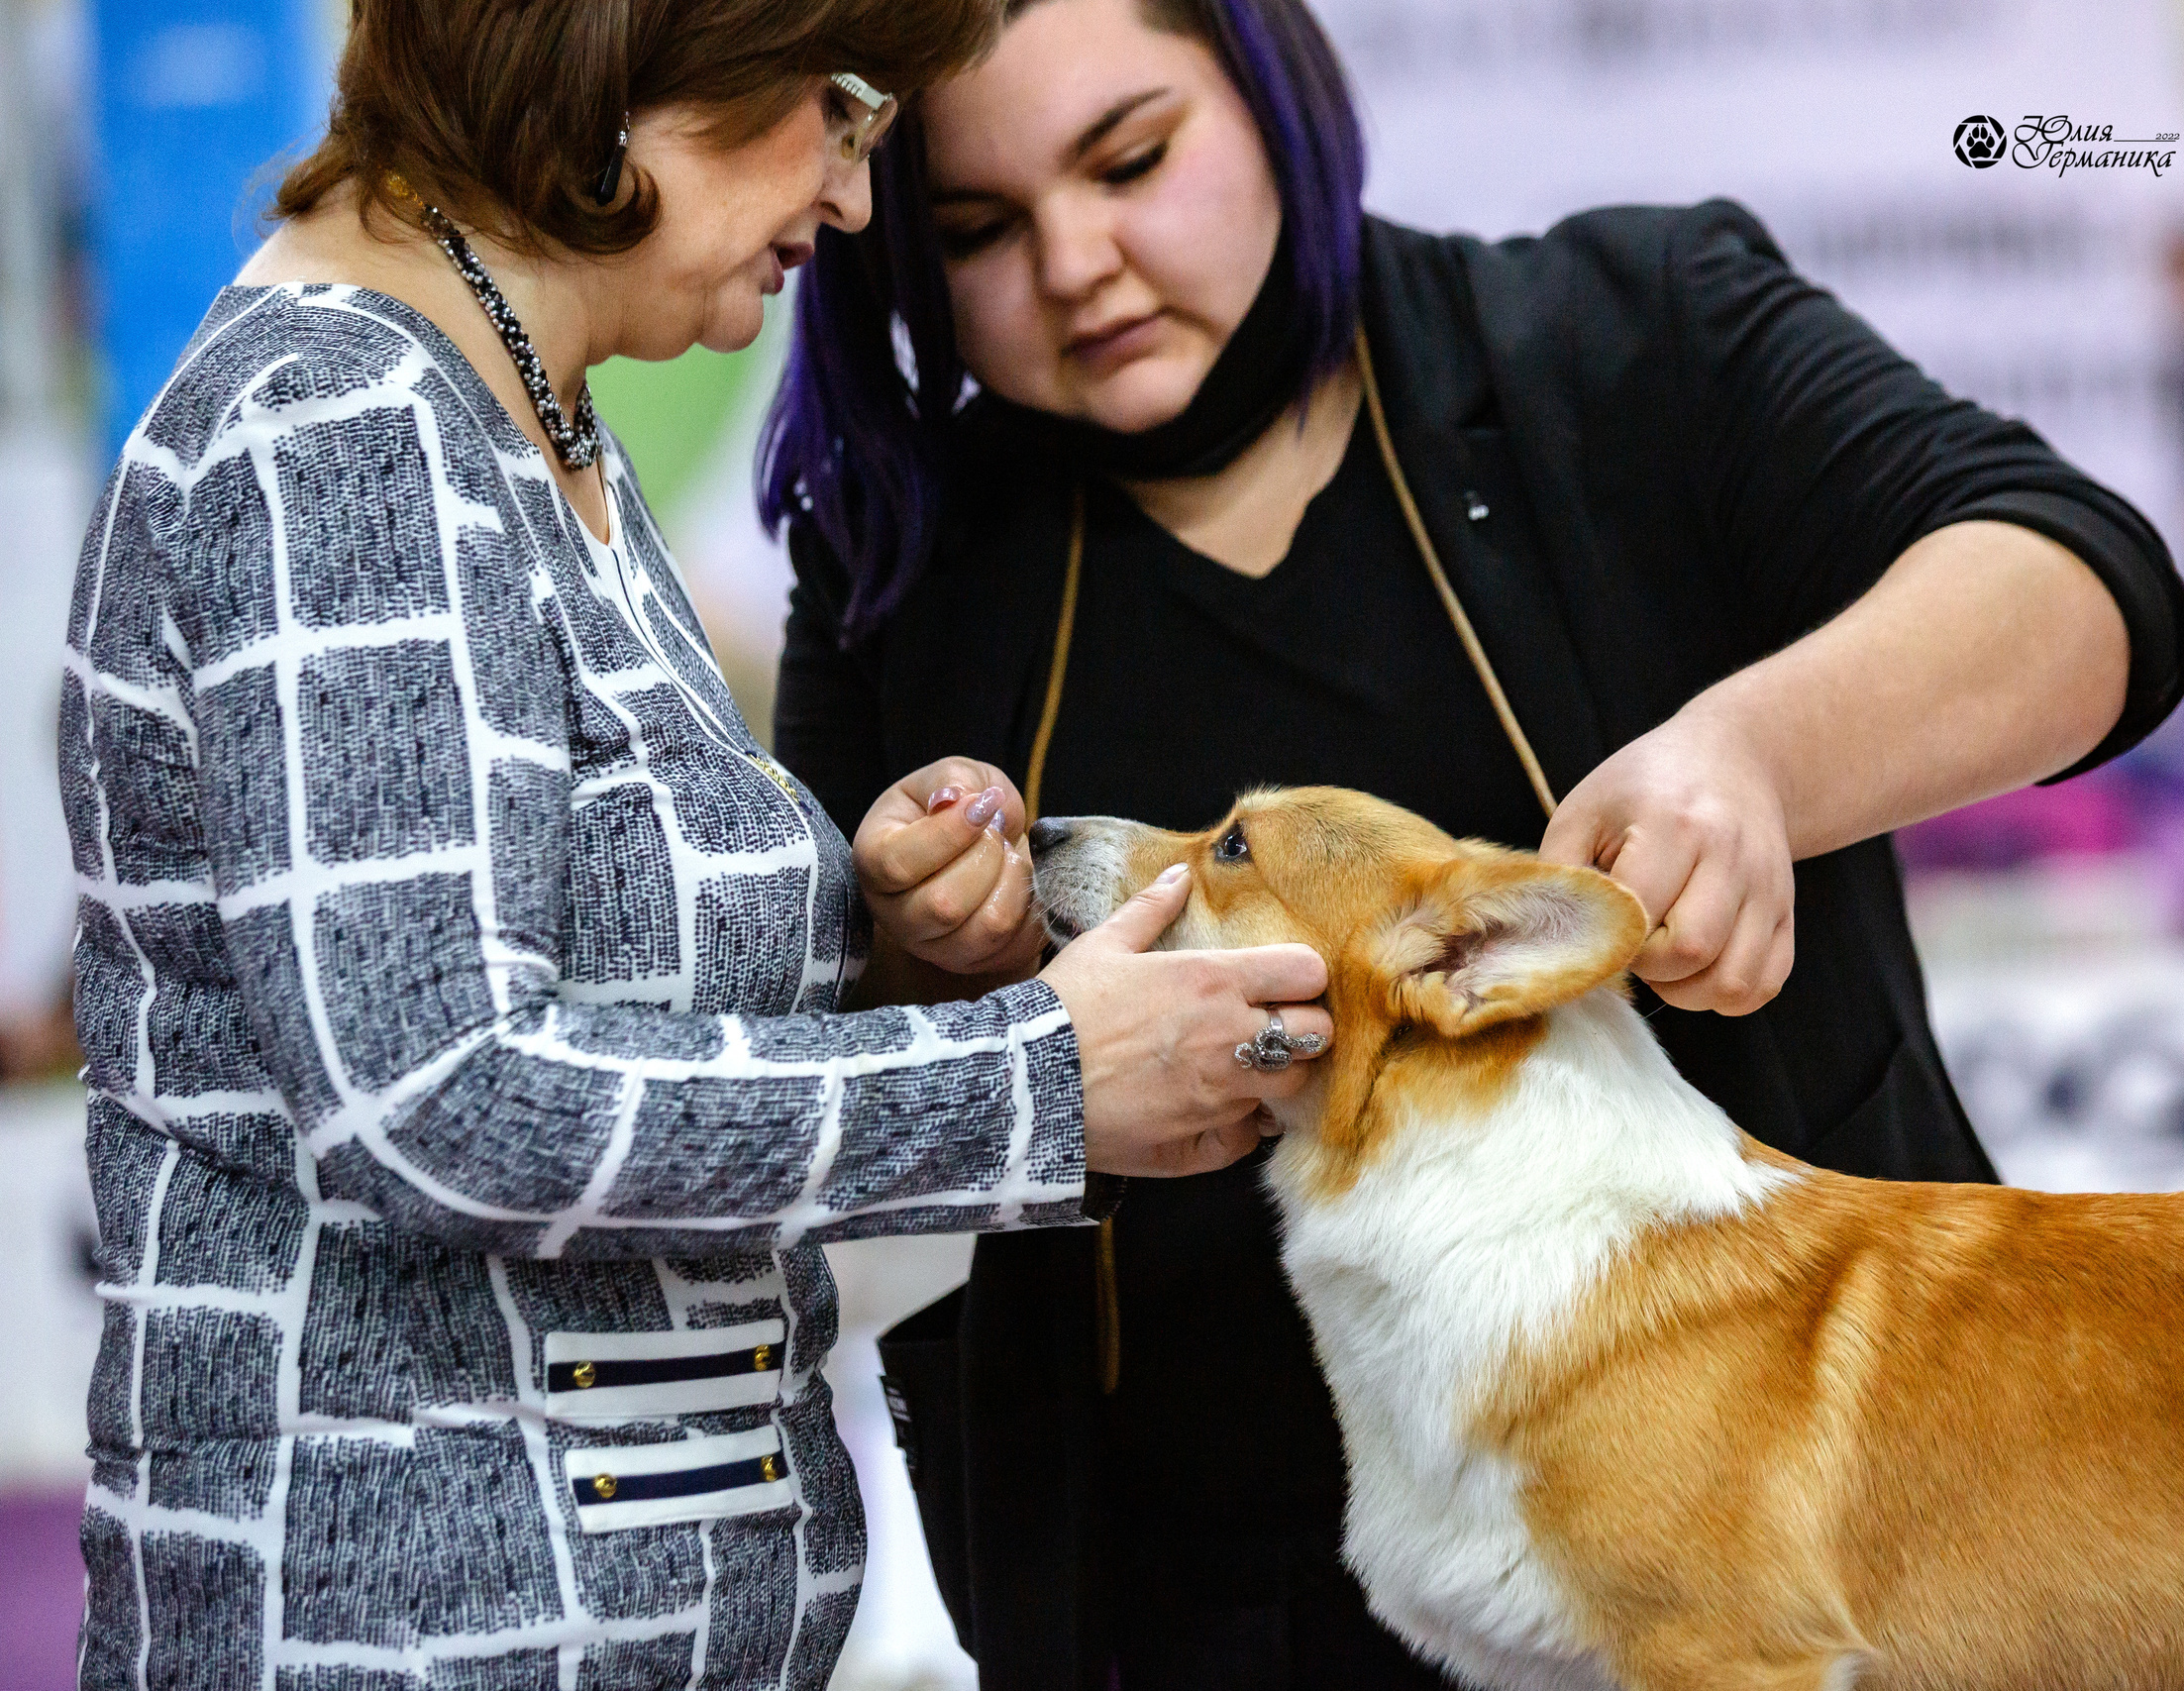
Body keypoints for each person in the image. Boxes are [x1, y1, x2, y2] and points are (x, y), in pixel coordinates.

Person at [764, 0, 2184, 1682]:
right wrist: (919, 955)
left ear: (1273, 88)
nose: (1078, 260)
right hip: (1179, 1586)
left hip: (1788, 1576)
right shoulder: (903, 550)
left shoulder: (1629, 338)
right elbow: (812, 1091)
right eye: (977, 233)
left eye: (1134, 158)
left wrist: (1756, 758)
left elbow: (2092, 577)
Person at [59, 2, 1337, 1685]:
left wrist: (892, 942)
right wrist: (1033, 1078)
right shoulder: (337, 422)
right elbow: (432, 1094)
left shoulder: (515, 400)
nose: (858, 197)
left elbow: (617, 1041)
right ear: (636, 58)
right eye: (841, 104)